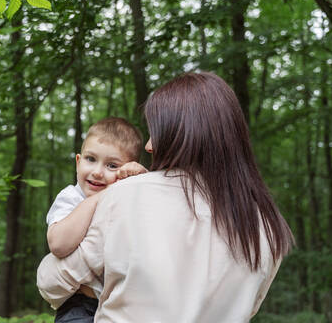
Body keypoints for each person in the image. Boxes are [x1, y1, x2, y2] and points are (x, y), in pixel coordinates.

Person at [37, 72, 294, 322]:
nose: (149, 146)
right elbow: (247, 308)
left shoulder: (129, 195)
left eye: (157, 133)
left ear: (185, 134)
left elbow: (52, 283)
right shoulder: (268, 226)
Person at [45, 117, 148, 322]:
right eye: (90, 159)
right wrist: (101, 197)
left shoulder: (125, 198)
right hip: (81, 305)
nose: (97, 172)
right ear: (77, 161)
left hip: (124, 304)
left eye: (111, 165)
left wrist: (141, 180)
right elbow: (58, 244)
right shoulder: (71, 198)